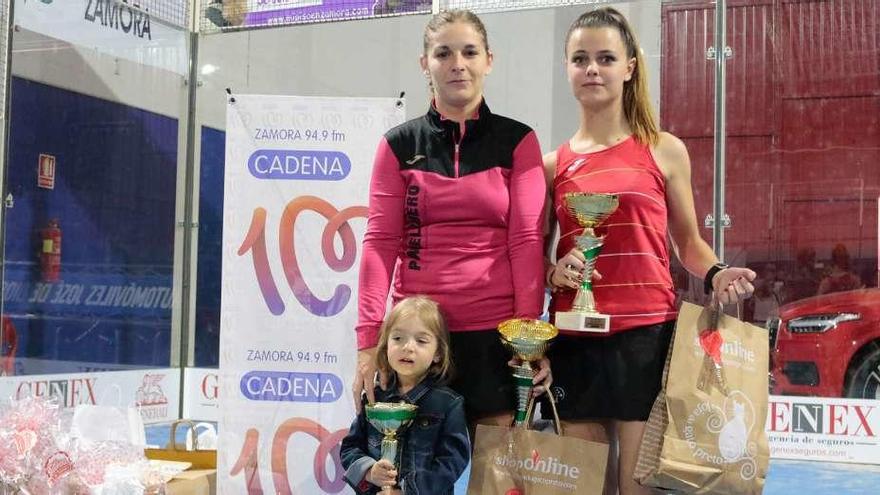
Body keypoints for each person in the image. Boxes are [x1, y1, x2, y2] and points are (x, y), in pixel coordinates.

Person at [543, 8, 756, 495]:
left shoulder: (664, 149)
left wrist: (716, 271)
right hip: (574, 338)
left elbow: (688, 243)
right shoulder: (553, 165)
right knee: (584, 488)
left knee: (639, 488)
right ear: (567, 68)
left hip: (646, 336)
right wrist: (554, 273)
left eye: (604, 58)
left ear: (630, 67)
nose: (592, 69)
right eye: (580, 59)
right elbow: (537, 259)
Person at [352, 9, 549, 432]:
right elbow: (380, 242)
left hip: (493, 339)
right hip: (415, 339)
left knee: (494, 478)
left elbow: (528, 241)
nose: (457, 63)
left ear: (488, 60)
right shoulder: (397, 144)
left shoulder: (519, 141)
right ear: (426, 63)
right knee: (407, 475)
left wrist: (526, 340)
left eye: (469, 52)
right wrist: (369, 343)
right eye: (443, 53)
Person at [341, 296, 469, 494]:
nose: (408, 347)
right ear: (385, 346)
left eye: (421, 340)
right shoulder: (374, 398)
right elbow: (350, 448)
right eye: (398, 338)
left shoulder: (449, 403)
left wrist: (408, 490)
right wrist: (369, 471)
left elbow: (453, 461)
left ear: (438, 354)